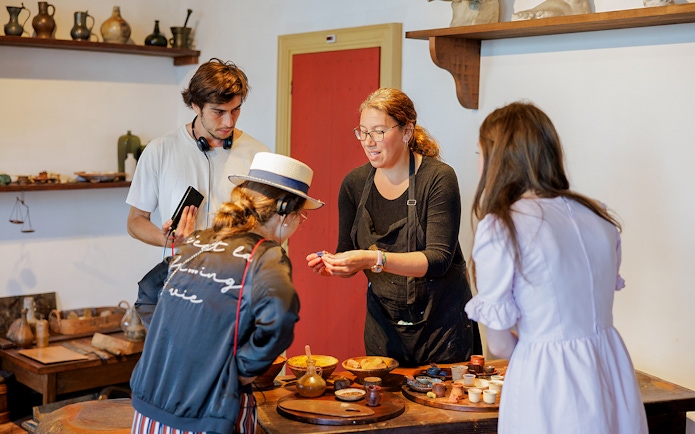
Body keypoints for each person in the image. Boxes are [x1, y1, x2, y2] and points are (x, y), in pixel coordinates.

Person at [464, 101, 648, 433]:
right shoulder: (596, 215)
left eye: (479, 154)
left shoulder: (503, 225)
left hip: (549, 378)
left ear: (498, 160)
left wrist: (538, 347)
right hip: (610, 365)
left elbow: (500, 344)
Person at [130, 152, 324, 434]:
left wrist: (171, 339)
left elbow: (147, 292)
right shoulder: (264, 254)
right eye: (301, 216)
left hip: (148, 410)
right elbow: (280, 318)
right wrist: (241, 371)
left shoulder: (199, 240)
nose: (300, 224)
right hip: (206, 414)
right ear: (285, 213)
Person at [306, 87, 481, 366]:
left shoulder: (437, 179)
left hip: (441, 329)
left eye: (379, 131)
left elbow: (438, 259)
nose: (368, 141)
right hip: (384, 329)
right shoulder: (354, 184)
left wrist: (374, 258)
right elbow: (347, 252)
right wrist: (335, 266)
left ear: (407, 131)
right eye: (362, 132)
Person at [126, 58, 270, 248]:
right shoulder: (159, 150)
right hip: (183, 273)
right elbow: (135, 220)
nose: (229, 122)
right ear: (196, 106)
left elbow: (269, 225)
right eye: (218, 112)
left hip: (238, 274)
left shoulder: (259, 155)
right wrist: (166, 240)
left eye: (235, 110)